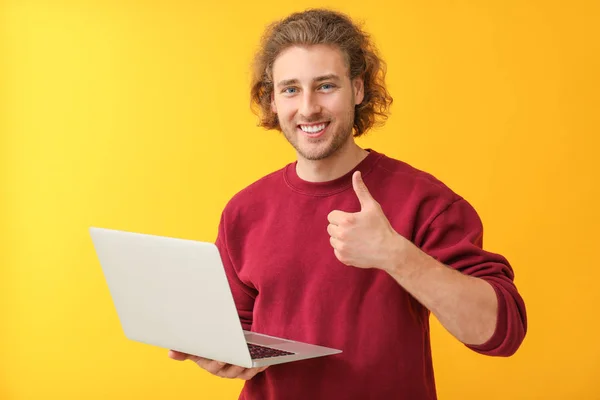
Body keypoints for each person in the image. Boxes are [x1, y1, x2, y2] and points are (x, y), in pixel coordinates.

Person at [169, 8, 527, 400]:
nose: (307, 108)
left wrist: (395, 254)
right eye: (290, 89)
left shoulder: (424, 200)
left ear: (357, 89)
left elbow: (500, 332)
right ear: (272, 101)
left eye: (325, 86)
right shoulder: (244, 210)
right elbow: (237, 330)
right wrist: (222, 355)